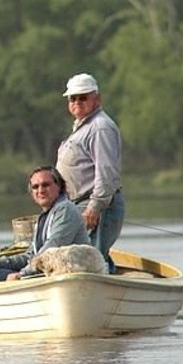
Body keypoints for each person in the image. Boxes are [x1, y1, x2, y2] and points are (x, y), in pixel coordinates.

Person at [55, 73, 124, 274]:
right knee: (87, 258)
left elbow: (106, 171)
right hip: (79, 205)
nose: (77, 102)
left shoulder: (100, 128)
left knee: (93, 260)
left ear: (97, 99)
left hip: (97, 207)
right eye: (72, 98)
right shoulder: (83, 126)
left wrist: (95, 207)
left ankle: (105, 298)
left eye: (83, 97)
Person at [0, 166, 89, 282]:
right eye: (35, 187)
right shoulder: (45, 215)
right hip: (48, 270)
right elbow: (32, 254)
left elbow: (52, 248)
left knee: (1, 276)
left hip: (70, 273)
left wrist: (22, 274)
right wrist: (1, 262)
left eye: (46, 185)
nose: (40, 190)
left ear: (59, 187)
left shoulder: (66, 209)